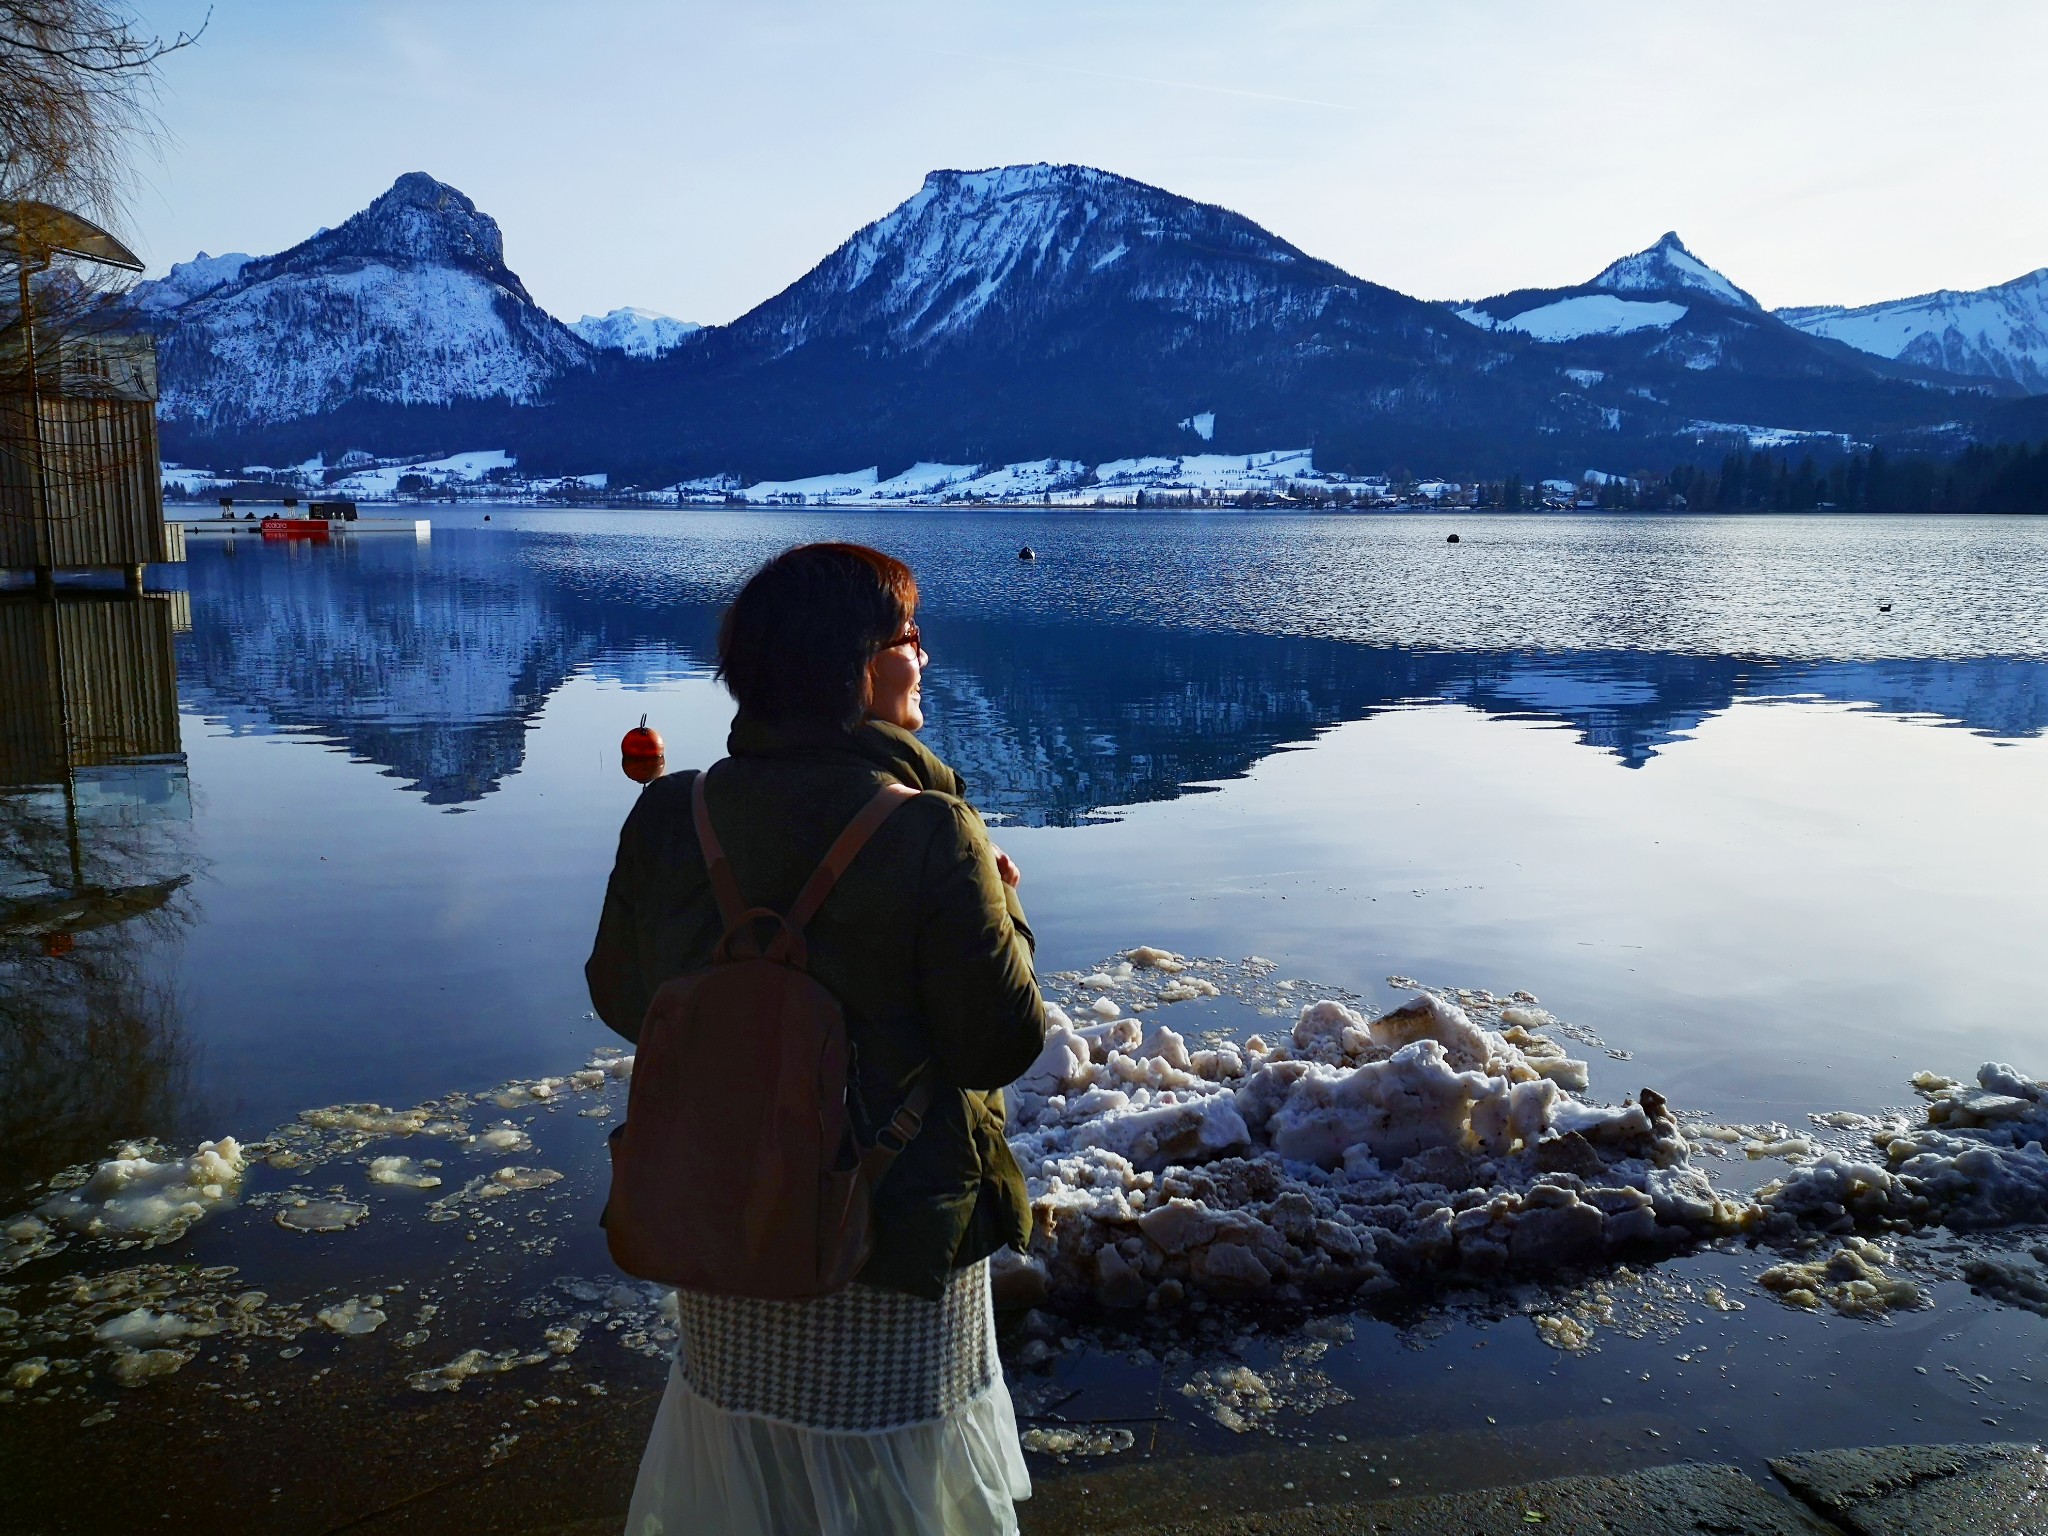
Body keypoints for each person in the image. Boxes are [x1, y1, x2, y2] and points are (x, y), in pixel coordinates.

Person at [585, 542, 1046, 1536]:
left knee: (751, 1485)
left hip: (727, 1216)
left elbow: (625, 1001)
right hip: (887, 1237)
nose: (923, 658)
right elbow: (996, 1044)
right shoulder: (931, 830)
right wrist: (1003, 912)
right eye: (909, 638)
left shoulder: (674, 812)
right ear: (858, 665)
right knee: (895, 1492)